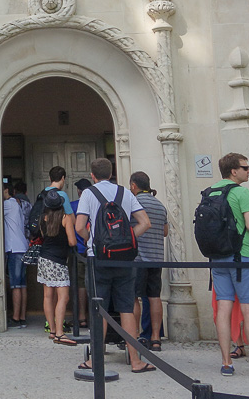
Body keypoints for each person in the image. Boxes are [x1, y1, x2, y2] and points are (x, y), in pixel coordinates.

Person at [76, 157, 153, 374]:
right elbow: (145, 222)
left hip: (98, 259)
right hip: (124, 259)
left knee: (98, 308)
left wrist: (93, 242)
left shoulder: (89, 194)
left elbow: (80, 226)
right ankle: (136, 360)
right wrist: (128, 240)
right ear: (111, 174)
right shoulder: (126, 193)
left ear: (92, 175)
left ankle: (96, 360)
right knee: (126, 308)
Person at [209, 152, 249, 377]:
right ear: (233, 171)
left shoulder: (211, 192)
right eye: (245, 167)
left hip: (217, 258)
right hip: (242, 256)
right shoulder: (241, 192)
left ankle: (226, 363)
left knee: (223, 309)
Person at [129, 171, 168, 351]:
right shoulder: (160, 206)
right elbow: (165, 231)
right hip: (156, 258)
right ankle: (155, 338)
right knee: (154, 297)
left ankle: (135, 335)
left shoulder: (133, 203)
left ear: (134, 186)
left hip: (138, 258)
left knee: (134, 297)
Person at [38, 189, 78, 345]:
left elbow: (42, 235)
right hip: (59, 260)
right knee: (63, 296)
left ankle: (53, 330)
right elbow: (72, 241)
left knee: (48, 296)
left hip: (44, 258)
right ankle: (60, 333)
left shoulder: (43, 218)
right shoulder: (65, 217)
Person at [3, 183, 29, 328]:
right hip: (22, 246)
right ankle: (23, 317)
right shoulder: (16, 204)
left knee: (15, 285)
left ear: (6, 191)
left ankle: (15, 317)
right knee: (22, 284)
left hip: (14, 248)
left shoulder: (8, 204)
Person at [70, 177, 93, 328]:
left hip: (78, 250)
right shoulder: (96, 204)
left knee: (80, 285)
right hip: (94, 250)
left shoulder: (72, 206)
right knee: (94, 283)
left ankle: (81, 316)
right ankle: (95, 317)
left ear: (78, 192)